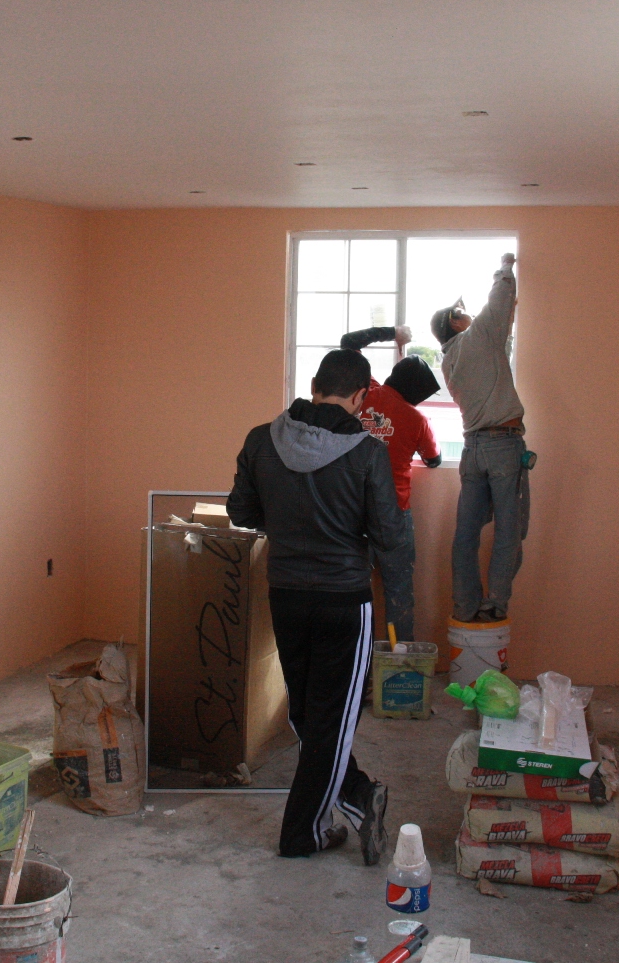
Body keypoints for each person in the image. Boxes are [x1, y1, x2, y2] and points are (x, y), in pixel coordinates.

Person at [227, 348, 403, 864]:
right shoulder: (367, 452)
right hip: (344, 602)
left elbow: (241, 511)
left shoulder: (261, 440)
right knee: (330, 720)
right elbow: (389, 535)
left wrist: (286, 520)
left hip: (286, 595)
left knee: (307, 714)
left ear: (313, 386)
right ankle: (305, 832)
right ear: (361, 396)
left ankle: (359, 794)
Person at [432, 252, 529, 623]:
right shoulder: (477, 338)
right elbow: (500, 299)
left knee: (467, 534)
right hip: (503, 446)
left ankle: (465, 604)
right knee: (509, 529)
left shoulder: (449, 359)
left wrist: (507, 318)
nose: (469, 313)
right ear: (456, 323)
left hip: (473, 450)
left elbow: (496, 354)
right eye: (462, 311)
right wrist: (505, 267)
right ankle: (496, 603)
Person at [338, 325, 443, 642]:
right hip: (394, 514)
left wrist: (394, 333)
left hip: (352, 512)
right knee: (398, 592)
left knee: (350, 590)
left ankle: (354, 659)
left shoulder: (364, 393)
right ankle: (400, 662)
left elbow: (348, 342)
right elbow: (434, 460)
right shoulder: (417, 419)